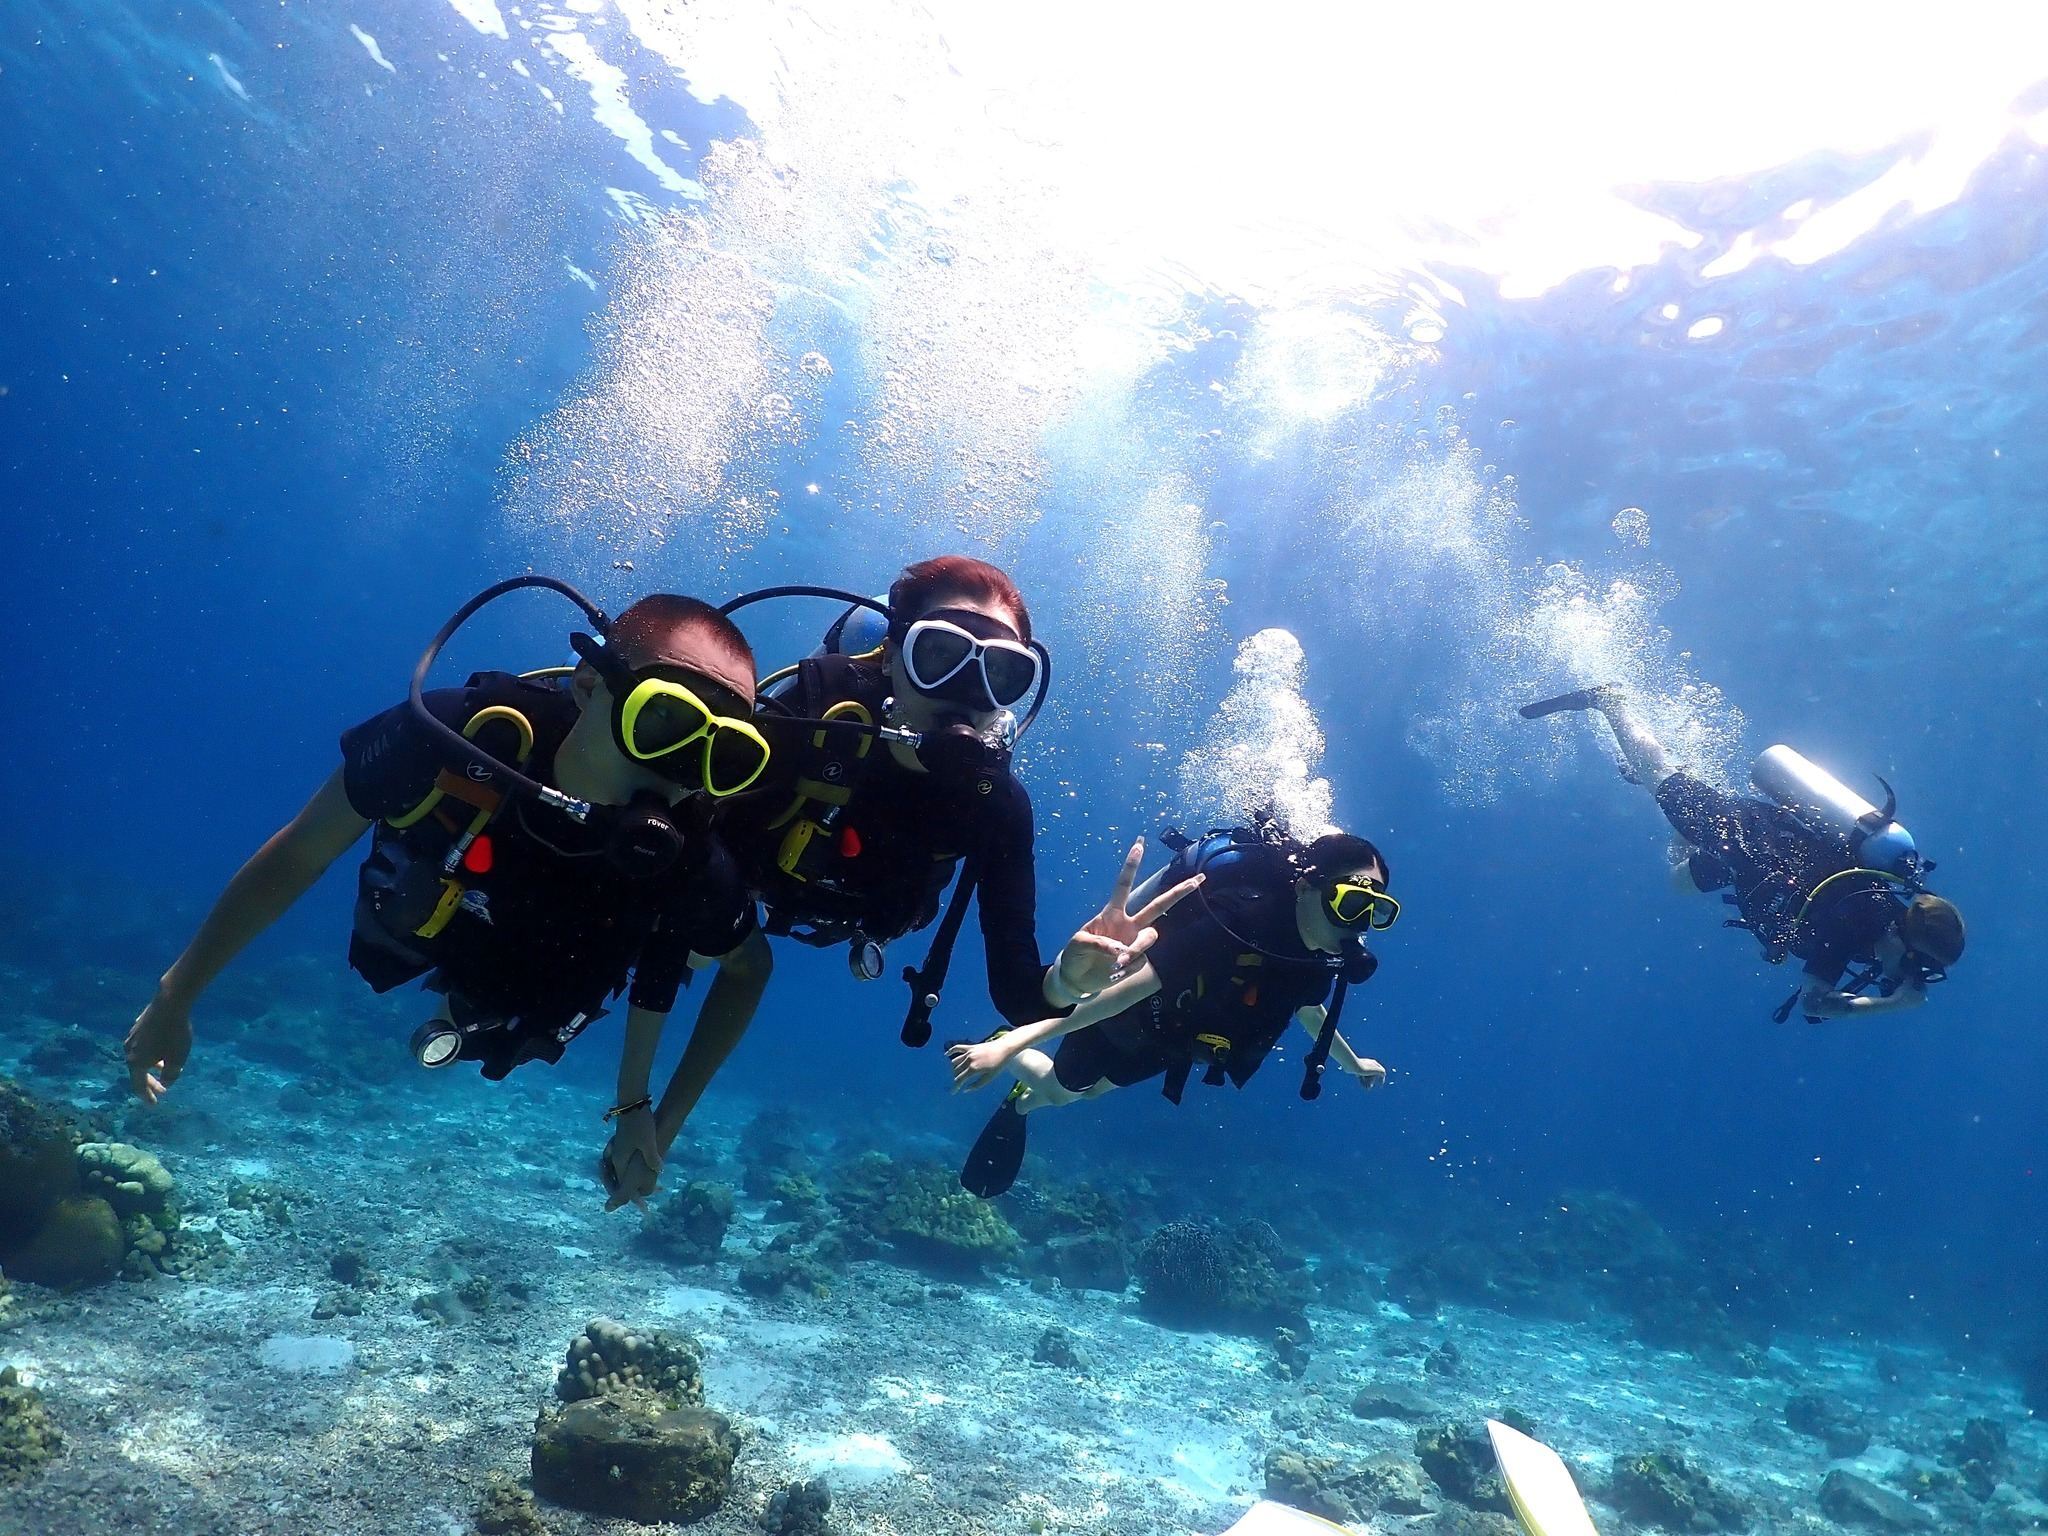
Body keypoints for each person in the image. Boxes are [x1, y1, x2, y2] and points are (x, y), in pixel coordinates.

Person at [123, 579, 775, 1209]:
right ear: (588, 686)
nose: (682, 771)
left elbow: (748, 969)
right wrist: (177, 990)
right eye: (663, 720)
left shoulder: (689, 858)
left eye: (726, 755)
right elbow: (300, 853)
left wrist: (656, 1116)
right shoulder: (453, 740)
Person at [641, 555, 1187, 1155]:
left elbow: (1020, 995)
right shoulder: (809, 723)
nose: (965, 695)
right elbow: (683, 864)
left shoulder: (996, 804)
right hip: (742, 891)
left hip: (871, 914)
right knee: (689, 943)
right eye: (938, 656)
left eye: (1000, 673)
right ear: (893, 655)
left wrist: (1068, 981)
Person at [945, 817, 1394, 1198]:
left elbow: (1308, 1010)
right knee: (1064, 1091)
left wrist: (1352, 1063)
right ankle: (1005, 1048)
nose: (1359, 927)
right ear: (1305, 887)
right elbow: (1120, 994)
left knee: (1092, 1091)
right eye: (1351, 902)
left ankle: (1023, 1098)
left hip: (1174, 1037)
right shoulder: (1234, 925)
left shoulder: (1317, 957)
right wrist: (1015, 1043)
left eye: (1377, 912)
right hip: (1131, 1016)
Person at [1519, 684, 1965, 1021]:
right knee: (1659, 777)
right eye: (1922, 968)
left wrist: (1886, 997)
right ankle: (1612, 701)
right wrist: (1890, 1005)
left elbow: (1818, 1005)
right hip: (1745, 834)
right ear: (1907, 948)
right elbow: (1815, 1003)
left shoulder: (1872, 935)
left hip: (1749, 869)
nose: (1917, 979)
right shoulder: (1859, 921)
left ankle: (1675, 777)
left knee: (1678, 881)